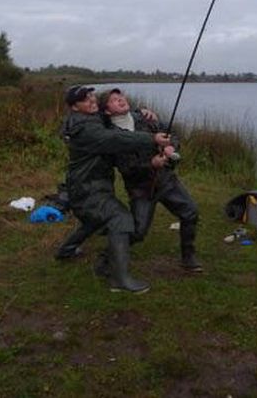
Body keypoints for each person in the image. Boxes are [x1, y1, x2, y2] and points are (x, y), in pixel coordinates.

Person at [60, 84, 173, 294]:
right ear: (74, 107)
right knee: (120, 219)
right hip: (87, 190)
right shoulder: (86, 129)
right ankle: (119, 279)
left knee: (93, 220)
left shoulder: (88, 119)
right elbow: (115, 138)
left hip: (90, 186)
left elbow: (114, 118)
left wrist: (141, 112)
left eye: (92, 97)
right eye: (86, 100)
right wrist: (151, 138)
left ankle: (65, 251)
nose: (92, 101)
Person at [100, 88, 203, 273]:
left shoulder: (145, 117)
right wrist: (151, 164)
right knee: (138, 232)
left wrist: (171, 146)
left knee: (190, 212)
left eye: (121, 96)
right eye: (114, 100)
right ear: (107, 110)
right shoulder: (110, 135)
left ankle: (188, 257)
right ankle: (106, 258)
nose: (121, 100)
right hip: (141, 189)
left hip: (166, 181)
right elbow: (126, 168)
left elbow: (171, 135)